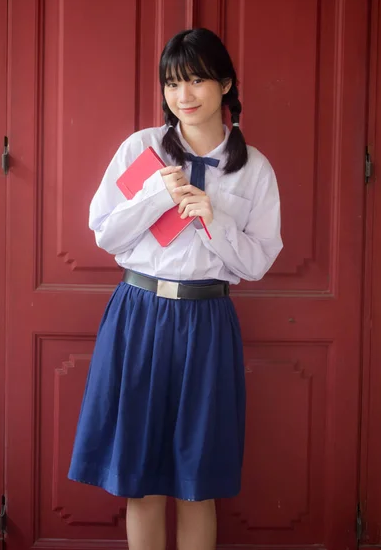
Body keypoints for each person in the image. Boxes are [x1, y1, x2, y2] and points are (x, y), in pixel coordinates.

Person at [68, 28, 283, 550]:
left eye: (196, 80)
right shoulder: (140, 149)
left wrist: (215, 221)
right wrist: (152, 196)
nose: (183, 96)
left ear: (225, 83)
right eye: (171, 84)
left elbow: (257, 262)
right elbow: (105, 234)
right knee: (138, 481)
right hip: (138, 315)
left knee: (196, 484)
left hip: (207, 322)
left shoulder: (253, 169)